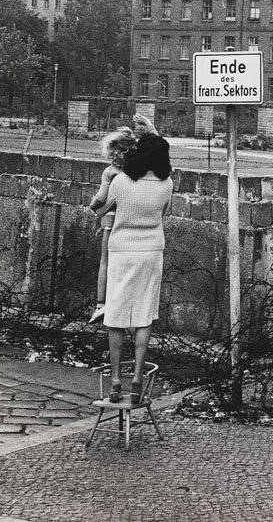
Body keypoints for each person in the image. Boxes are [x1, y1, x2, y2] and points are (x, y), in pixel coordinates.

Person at [95, 132, 173, 403]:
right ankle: (138, 379)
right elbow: (163, 214)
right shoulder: (167, 184)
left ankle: (116, 380)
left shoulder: (120, 181)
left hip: (122, 249)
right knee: (144, 313)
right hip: (152, 250)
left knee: (116, 313)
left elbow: (100, 210)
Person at [88, 114, 157, 325]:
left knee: (106, 262)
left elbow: (101, 198)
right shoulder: (138, 171)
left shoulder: (110, 172)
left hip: (110, 221)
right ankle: (127, 302)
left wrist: (92, 208)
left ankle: (101, 304)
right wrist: (152, 130)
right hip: (132, 221)